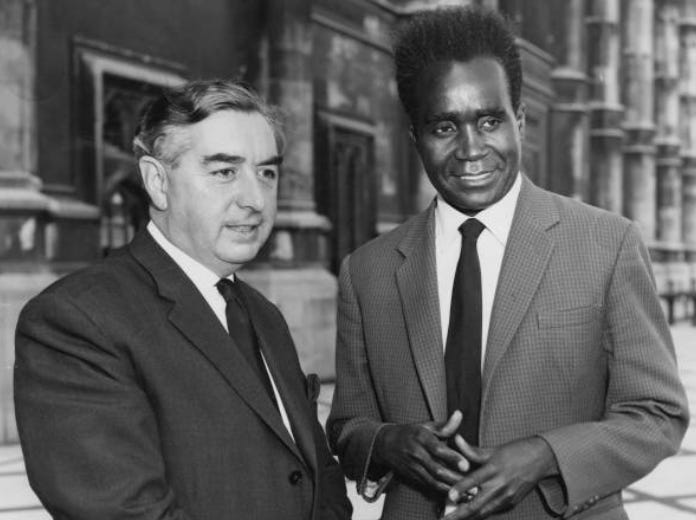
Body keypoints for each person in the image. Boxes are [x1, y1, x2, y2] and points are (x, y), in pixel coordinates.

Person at [327, 6, 689, 520]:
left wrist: (544, 455)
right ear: (414, 137)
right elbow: (347, 426)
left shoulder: (606, 244)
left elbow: (657, 414)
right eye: (444, 127)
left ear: (518, 121)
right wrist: (386, 442)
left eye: (489, 121)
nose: (471, 149)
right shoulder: (367, 272)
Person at [15, 79, 352, 520]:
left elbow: (317, 477)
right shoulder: (76, 320)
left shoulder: (264, 315)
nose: (255, 200)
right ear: (157, 181)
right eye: (224, 172)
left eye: (266, 173)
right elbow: (125, 512)